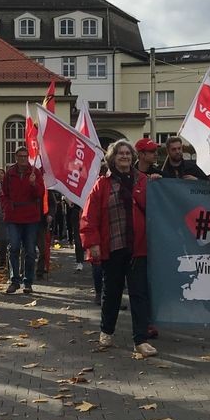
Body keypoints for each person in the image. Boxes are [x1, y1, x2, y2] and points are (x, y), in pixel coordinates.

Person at [81, 140, 157, 357]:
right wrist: (92, 243)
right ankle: (106, 331)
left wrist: (159, 183)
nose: (124, 156)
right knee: (111, 292)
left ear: (133, 157)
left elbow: (157, 207)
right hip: (113, 246)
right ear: (112, 158)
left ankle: (140, 340)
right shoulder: (102, 184)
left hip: (138, 248)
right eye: (120, 153)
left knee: (139, 294)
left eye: (127, 153)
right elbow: (89, 216)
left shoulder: (144, 181)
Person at [1, 146, 44, 294]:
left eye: (25, 156)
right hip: (13, 216)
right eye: (20, 156)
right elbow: (4, 193)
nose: (23, 159)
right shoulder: (10, 173)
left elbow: (40, 194)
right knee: (13, 247)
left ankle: (28, 281)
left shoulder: (35, 173)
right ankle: (14, 280)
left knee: (30, 250)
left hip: (30, 217)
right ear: (16, 157)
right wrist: (7, 207)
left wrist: (33, 184)